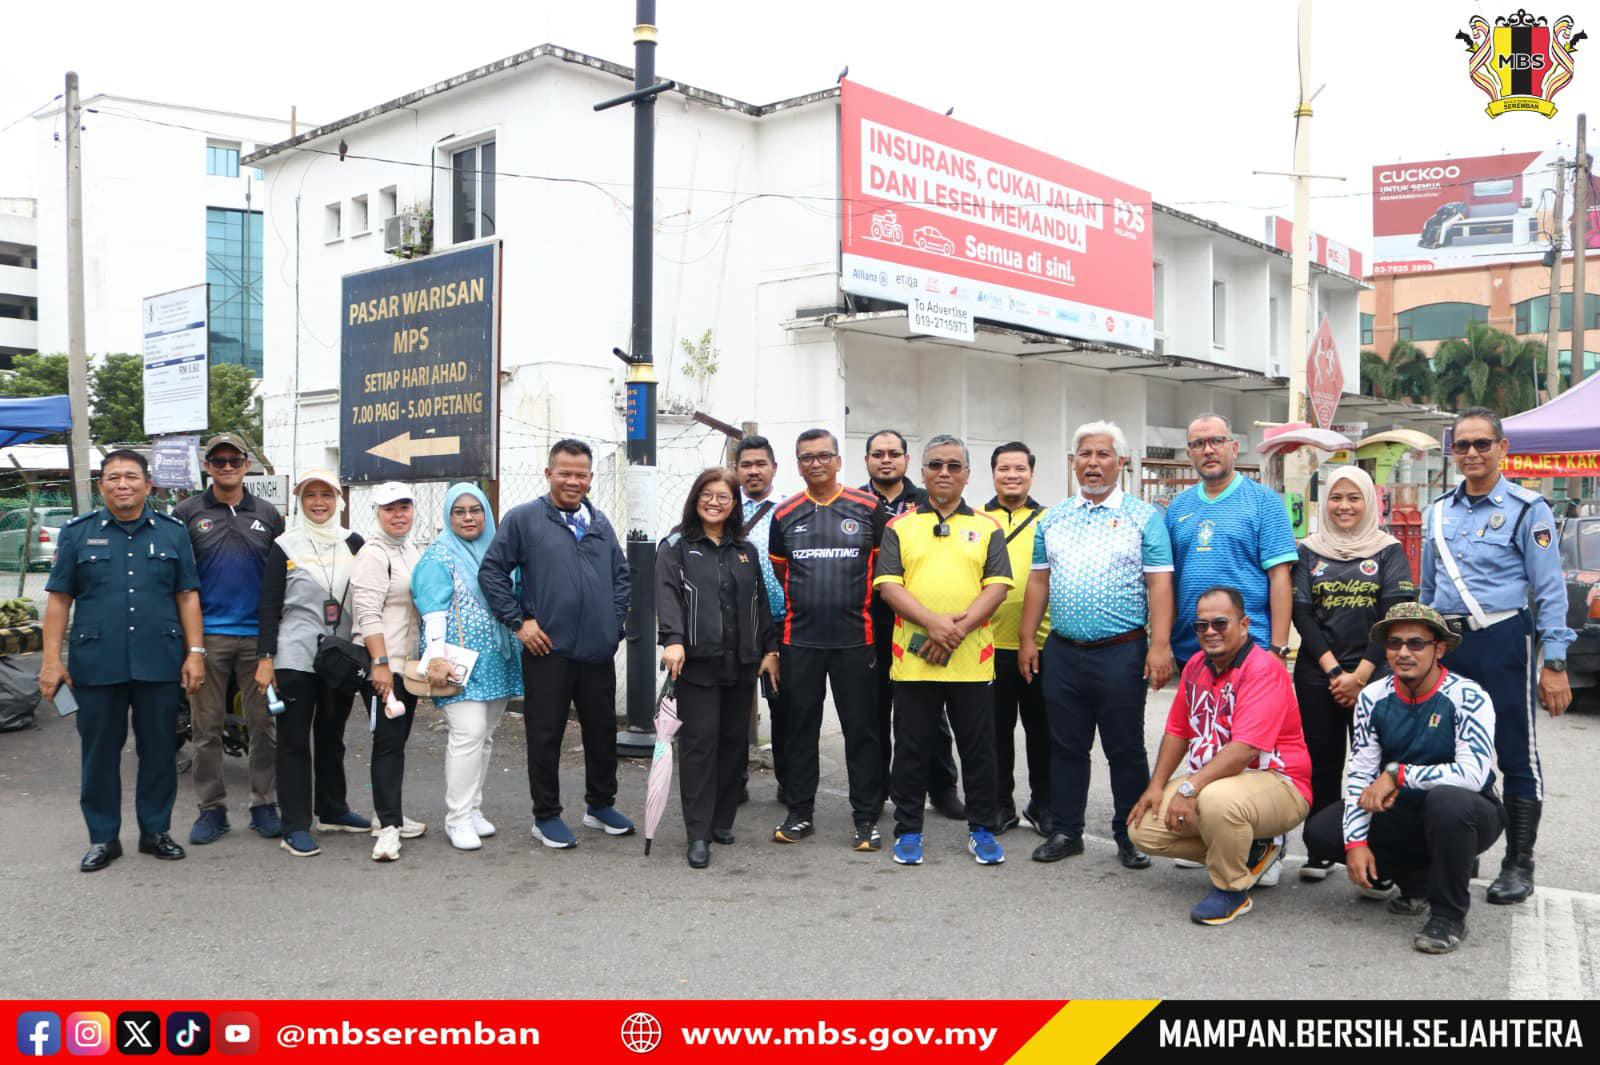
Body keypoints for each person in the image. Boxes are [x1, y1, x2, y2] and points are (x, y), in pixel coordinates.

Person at [1420, 406, 1573, 905]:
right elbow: (1427, 588)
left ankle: (1518, 863)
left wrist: (1554, 663)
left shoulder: (1530, 510)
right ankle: (1460, 851)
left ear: (1502, 449)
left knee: (1514, 753)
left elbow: (1550, 591)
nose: (1471, 453)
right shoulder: (1438, 510)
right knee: (1449, 751)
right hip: (1447, 645)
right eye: (1461, 445)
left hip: (1503, 641)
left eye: (1482, 444)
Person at [1303, 603, 1504, 954]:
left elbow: (1473, 774)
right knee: (1320, 832)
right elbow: (1361, 774)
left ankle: (1448, 915)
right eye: (1394, 644)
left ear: (1438, 648)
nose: (1403, 652)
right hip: (1404, 807)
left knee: (1447, 802)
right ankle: (1417, 883)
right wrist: (1356, 844)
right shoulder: (1372, 696)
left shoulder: (1469, 696)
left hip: (1469, 810)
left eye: (1416, 643)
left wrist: (1399, 774)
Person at [39, 449, 205, 872]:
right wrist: (51, 661)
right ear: (101, 487)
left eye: (131, 476)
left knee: (158, 750)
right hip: (97, 663)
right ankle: (103, 838)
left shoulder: (172, 533)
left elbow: (187, 596)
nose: (122, 485)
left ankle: (155, 831)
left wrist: (195, 653)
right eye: (113, 478)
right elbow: (59, 600)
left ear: (148, 484)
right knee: (99, 753)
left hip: (159, 659)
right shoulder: (77, 534)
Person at [1019, 422, 1174, 869]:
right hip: (1063, 651)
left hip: (1121, 652)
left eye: (1103, 454)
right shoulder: (1054, 517)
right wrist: (1029, 638)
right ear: (1073, 462)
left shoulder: (1144, 517)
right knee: (1065, 745)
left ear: (1121, 463)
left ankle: (1131, 834)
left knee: (1124, 748)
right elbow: (1038, 580)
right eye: (1084, 454)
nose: (1092, 463)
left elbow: (1160, 584)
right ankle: (1067, 830)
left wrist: (1159, 646)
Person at [480, 439, 635, 849]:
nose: (572, 480)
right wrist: (519, 623)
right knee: (545, 735)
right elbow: (492, 572)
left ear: (590, 478)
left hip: (596, 652)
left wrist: (613, 625)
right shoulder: (524, 519)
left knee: (602, 734)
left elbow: (621, 577)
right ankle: (545, 816)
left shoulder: (600, 524)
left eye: (580, 474)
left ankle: (600, 806)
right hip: (547, 651)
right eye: (564, 472)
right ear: (548, 474)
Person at [1165, 412, 1298, 883]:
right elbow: (1168, 579)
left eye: (1217, 441)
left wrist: (1279, 646)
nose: (1208, 450)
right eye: (1198, 443)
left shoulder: (1263, 502)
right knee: (1205, 743)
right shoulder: (1178, 507)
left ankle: (1269, 844)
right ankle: (1212, 834)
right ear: (1190, 452)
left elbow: (1281, 575)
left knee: (1255, 750)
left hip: (1253, 647)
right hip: (1195, 650)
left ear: (1234, 448)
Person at [1128, 586, 1312, 925]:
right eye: (1202, 625)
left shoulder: (1263, 668)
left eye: (1220, 623)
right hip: (1218, 781)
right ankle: (1253, 850)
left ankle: (1232, 890)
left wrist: (1188, 789)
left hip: (1280, 782)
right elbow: (1177, 731)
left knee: (1216, 802)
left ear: (1244, 624)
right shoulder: (1197, 664)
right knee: (1144, 828)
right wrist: (1156, 786)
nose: (1210, 632)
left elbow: (1243, 750)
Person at [874, 434, 1013, 866]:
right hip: (914, 661)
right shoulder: (900, 526)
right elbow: (888, 586)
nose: (945, 473)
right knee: (913, 749)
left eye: (954, 466)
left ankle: (983, 829)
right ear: (923, 472)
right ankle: (909, 831)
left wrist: (957, 629)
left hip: (972, 662)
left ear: (968, 474)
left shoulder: (988, 527)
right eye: (936, 465)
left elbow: (998, 586)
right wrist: (934, 625)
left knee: (979, 750)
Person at [1291, 465, 1415, 881]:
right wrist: (1332, 671)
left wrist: (1360, 675)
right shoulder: (1308, 549)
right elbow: (1302, 614)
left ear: (1369, 502)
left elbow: (1393, 616)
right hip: (1316, 675)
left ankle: (1378, 849)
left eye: (1353, 498)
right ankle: (1322, 847)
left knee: (1376, 762)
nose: (1344, 506)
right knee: (1322, 762)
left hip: (1377, 677)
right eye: (1336, 498)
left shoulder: (1388, 550)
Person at [767, 428, 888, 849]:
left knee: (863, 731)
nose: (815, 464)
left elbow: (881, 576)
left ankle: (866, 818)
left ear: (838, 461)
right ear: (798, 465)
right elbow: (784, 575)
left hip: (857, 639)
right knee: (800, 730)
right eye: (806, 458)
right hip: (800, 640)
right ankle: (800, 813)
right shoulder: (784, 515)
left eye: (822, 456)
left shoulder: (869, 508)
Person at [658, 468, 781, 867]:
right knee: (699, 746)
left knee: (733, 745)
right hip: (697, 665)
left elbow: (760, 602)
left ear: (734, 504)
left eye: (724, 497)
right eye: (708, 495)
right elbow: (667, 595)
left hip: (742, 662)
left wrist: (770, 649)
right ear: (696, 499)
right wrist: (673, 639)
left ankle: (721, 820)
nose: (715, 502)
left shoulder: (745, 550)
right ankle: (697, 833)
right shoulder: (676, 545)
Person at [172, 433, 286, 846]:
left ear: (246, 464)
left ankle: (263, 803)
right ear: (207, 466)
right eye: (217, 461)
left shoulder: (270, 516)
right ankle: (211, 809)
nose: (226, 467)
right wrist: (191, 648)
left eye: (233, 459)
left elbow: (280, 581)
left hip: (258, 640)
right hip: (207, 639)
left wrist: (271, 646)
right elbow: (179, 583)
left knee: (264, 726)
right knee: (206, 729)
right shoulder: (186, 512)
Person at [254, 469, 368, 857]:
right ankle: (295, 825)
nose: (318, 503)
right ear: (299, 502)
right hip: (295, 656)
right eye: (309, 496)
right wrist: (265, 658)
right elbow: (268, 606)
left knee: (333, 735)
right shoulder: (284, 545)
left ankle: (333, 809)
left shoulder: (353, 543)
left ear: (339, 500)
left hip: (340, 657)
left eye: (326, 495)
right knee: (293, 742)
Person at [411, 484, 523, 852]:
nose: (468, 517)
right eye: (458, 511)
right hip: (456, 664)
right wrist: (437, 658)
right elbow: (433, 611)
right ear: (448, 516)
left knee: (484, 735)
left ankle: (473, 809)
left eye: (475, 510)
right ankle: (456, 818)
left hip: (497, 659)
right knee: (468, 733)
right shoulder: (439, 556)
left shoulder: (497, 551)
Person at [861, 429, 962, 819]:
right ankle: (877, 792)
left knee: (930, 715)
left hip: (921, 623)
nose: (885, 459)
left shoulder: (928, 502)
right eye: (877, 453)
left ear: (907, 461)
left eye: (894, 453)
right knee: (874, 712)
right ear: (866, 460)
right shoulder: (854, 502)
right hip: (870, 624)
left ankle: (942, 789)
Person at [350, 481, 425, 861]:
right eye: (389, 508)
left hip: (406, 667)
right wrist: (379, 665)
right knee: (388, 745)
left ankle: (388, 814)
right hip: (384, 667)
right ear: (376, 513)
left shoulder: (409, 549)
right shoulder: (373, 554)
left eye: (404, 507)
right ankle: (388, 830)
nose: (398, 515)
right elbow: (366, 615)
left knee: (396, 741)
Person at [982, 441, 1052, 836]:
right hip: (989, 646)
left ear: (1031, 472)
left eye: (1019, 468)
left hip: (1041, 646)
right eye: (1004, 468)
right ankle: (999, 804)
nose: (1012, 475)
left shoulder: (1050, 519)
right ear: (992, 474)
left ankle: (1043, 804)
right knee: (994, 734)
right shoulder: (975, 520)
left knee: (1042, 733)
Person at [737, 435, 787, 805]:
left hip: (782, 622)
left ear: (773, 467)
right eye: (746, 465)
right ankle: (732, 780)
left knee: (785, 705)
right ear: (737, 470)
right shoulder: (723, 508)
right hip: (735, 624)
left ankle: (790, 781)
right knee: (734, 706)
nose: (754, 471)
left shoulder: (789, 510)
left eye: (760, 464)